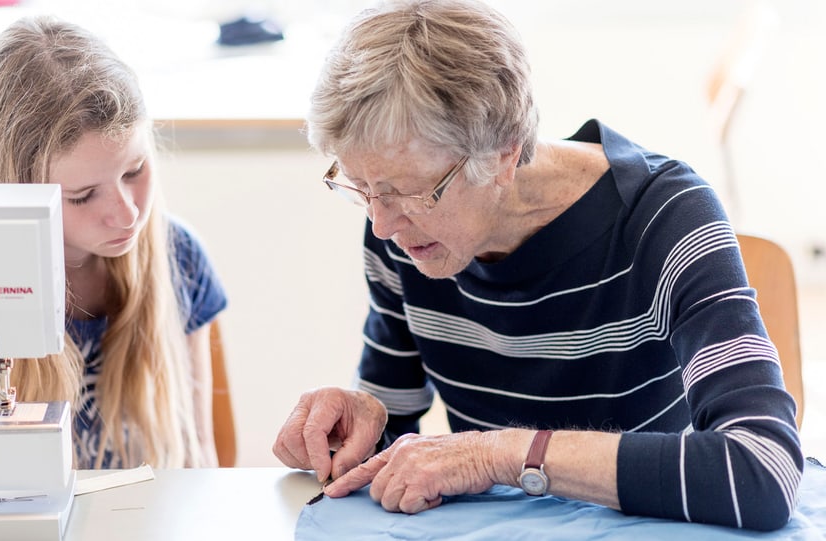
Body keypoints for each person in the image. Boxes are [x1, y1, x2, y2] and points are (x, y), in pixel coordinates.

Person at [272, 0, 802, 531]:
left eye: (408, 191)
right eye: (362, 188)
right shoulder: (404, 232)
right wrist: (362, 419)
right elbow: (390, 445)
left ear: (504, 153)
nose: (382, 223)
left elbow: (762, 470)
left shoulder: (664, 218)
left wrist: (501, 456)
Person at [0, 16, 228, 469]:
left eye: (134, 171)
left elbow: (200, 460)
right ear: (15, 189)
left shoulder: (179, 257)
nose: (128, 213)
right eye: (81, 196)